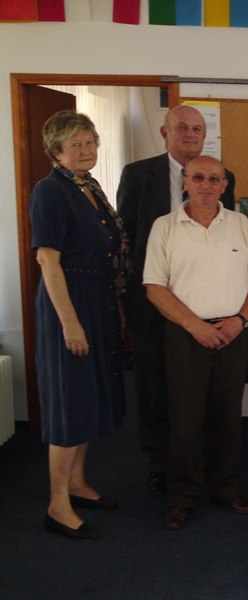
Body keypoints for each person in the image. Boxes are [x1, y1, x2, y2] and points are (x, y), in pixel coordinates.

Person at [117, 105, 237, 496]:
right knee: (154, 387)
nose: (190, 134)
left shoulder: (222, 177)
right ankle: (159, 461)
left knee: (200, 391)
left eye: (197, 128)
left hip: (205, 303)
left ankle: (199, 461)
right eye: (182, 127)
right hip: (154, 302)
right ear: (165, 132)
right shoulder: (138, 175)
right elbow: (126, 241)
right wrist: (128, 299)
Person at [143, 156, 248, 530]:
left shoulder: (240, 224)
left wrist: (242, 320)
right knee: (185, 419)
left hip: (232, 333)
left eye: (214, 178)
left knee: (227, 416)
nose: (206, 185)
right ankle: (183, 495)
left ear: (225, 185)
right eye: (198, 177)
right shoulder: (165, 227)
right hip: (185, 334)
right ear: (184, 181)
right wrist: (195, 326)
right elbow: (154, 287)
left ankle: (224, 487)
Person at [30, 110, 130, 539]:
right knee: (70, 403)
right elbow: (47, 261)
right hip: (68, 303)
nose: (87, 150)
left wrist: (115, 306)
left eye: (90, 142)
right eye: (76, 144)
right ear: (56, 151)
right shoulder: (50, 191)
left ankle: (76, 482)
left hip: (97, 299)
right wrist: (70, 324)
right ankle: (57, 505)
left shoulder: (89, 187)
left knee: (89, 397)